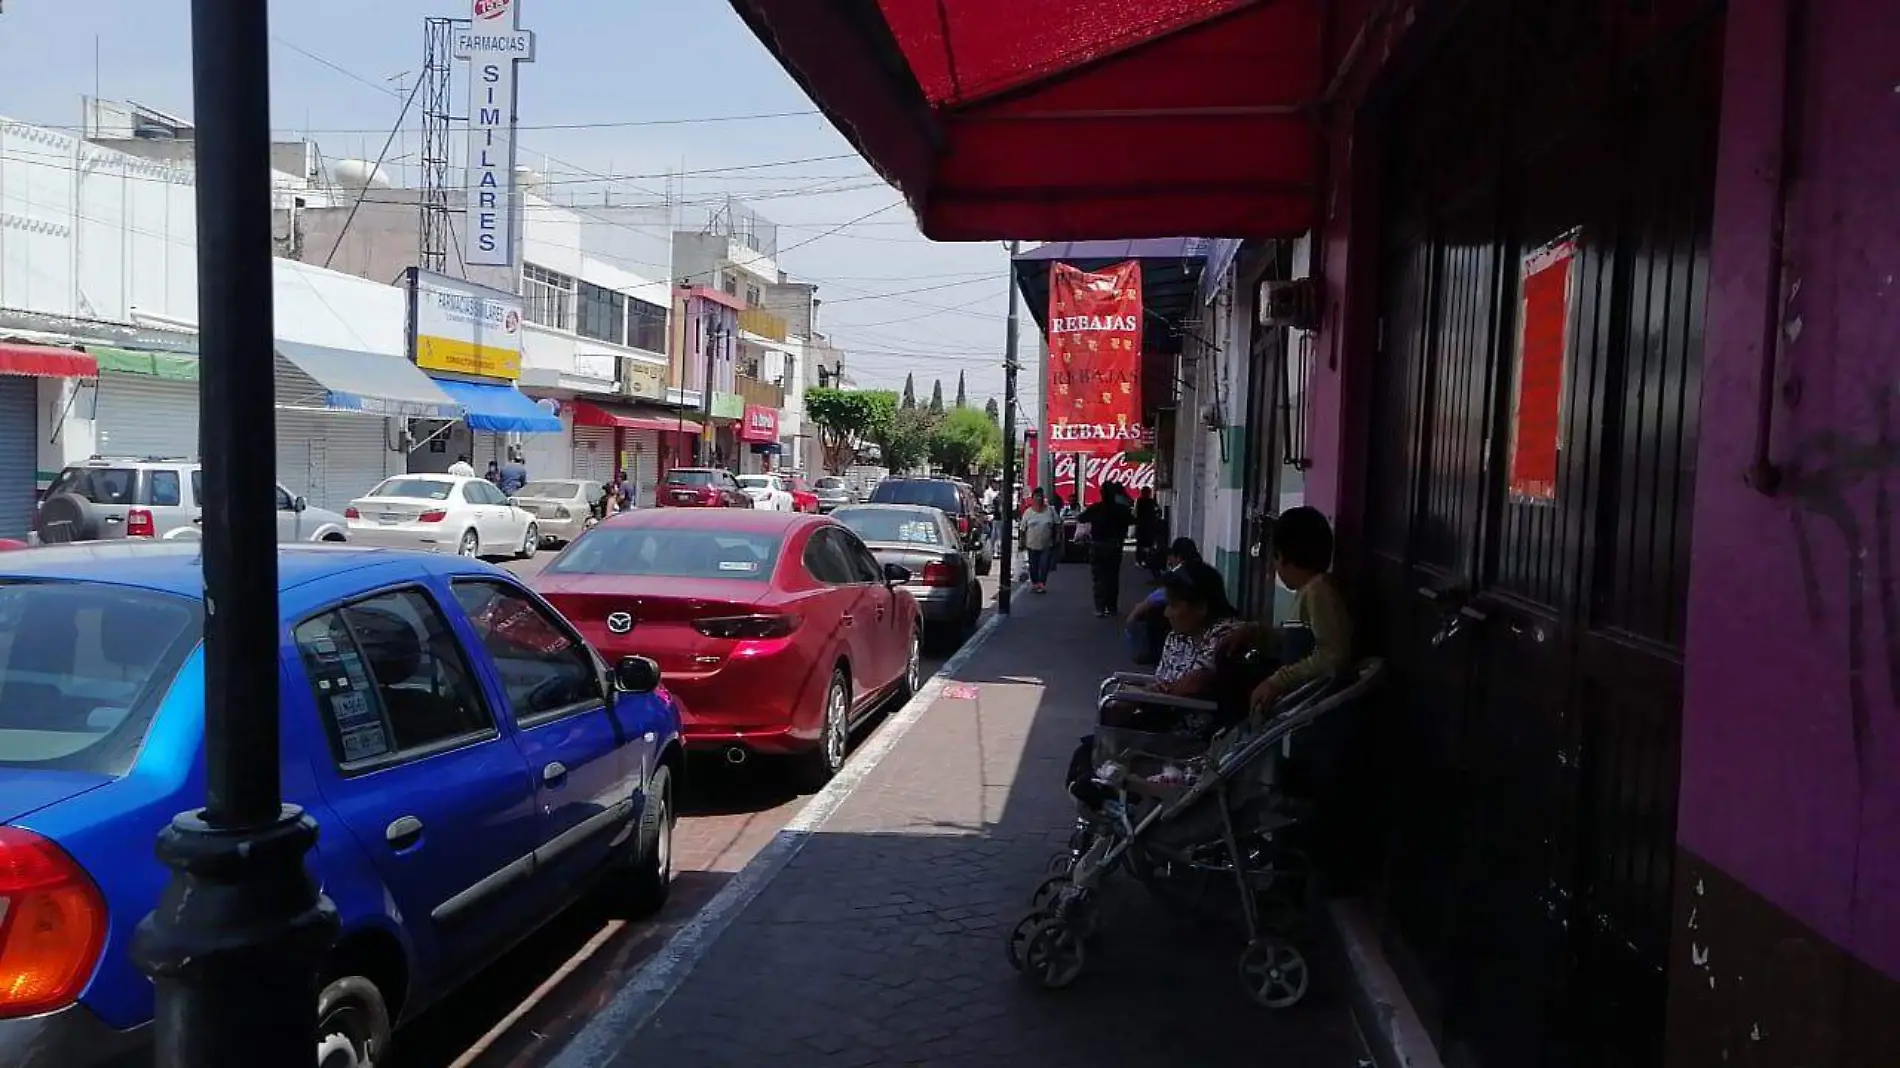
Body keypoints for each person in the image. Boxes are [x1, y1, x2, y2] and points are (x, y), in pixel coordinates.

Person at [1098, 561, 1245, 736]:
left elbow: (1194, 685)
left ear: (1201, 608)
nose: (1166, 613)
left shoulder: (1226, 635)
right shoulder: (1177, 636)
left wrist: (1144, 695)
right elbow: (1163, 681)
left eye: (1173, 606)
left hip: (1194, 734)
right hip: (1163, 718)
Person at [1235, 506, 1354, 714]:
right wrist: (1258, 632)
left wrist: (1278, 681)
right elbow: (1302, 640)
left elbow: (1332, 655)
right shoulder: (1308, 591)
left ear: (1281, 557)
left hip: (1314, 715)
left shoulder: (1319, 591)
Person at [1124, 537, 1203, 663]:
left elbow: (1158, 598)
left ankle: (1155, 654)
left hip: (1188, 615)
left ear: (1178, 557)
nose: (1169, 561)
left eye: (1171, 557)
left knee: (1153, 613)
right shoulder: (1197, 568)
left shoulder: (1183, 573)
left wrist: (1134, 616)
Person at [1076, 482, 1135, 617]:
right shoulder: (1121, 509)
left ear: (1101, 494)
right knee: (1112, 577)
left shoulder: (1096, 508)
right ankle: (1111, 606)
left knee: (1098, 578)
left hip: (1097, 546)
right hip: (1115, 546)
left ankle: (1100, 607)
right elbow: (1133, 520)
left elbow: (1081, 518)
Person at [1019, 489, 1059, 593]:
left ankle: (1042, 583)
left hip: (1046, 544)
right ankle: (1035, 583)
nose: (1039, 499)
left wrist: (1057, 538)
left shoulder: (1050, 510)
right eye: (1036, 497)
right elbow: (1023, 529)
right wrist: (1022, 542)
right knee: (1033, 565)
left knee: (1044, 564)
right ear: (1032, 499)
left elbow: (1057, 525)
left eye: (1041, 497)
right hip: (1032, 544)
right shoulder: (1028, 512)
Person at [1134, 487, 1162, 576]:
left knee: (1141, 544)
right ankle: (1147, 560)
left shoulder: (1140, 501)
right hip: (1149, 525)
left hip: (1142, 525)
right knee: (1149, 543)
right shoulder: (1151, 501)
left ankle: (1141, 560)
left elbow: (1136, 513)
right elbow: (1158, 510)